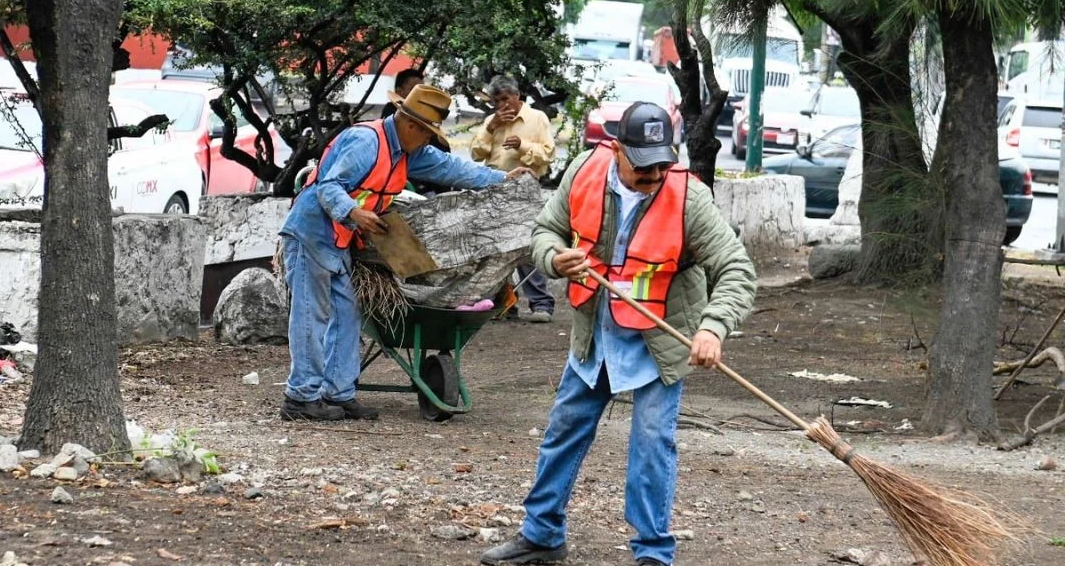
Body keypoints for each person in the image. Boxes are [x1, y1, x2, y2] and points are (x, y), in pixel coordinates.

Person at [480, 102, 757, 566]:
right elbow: (546, 230)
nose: (653, 177)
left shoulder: (690, 199)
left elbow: (736, 270)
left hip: (657, 342)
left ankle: (652, 554)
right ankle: (542, 535)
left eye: (662, 165)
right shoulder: (585, 171)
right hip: (596, 334)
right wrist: (553, 259)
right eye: (643, 167)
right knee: (564, 431)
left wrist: (712, 327)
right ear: (616, 149)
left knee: (652, 445)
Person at [280, 84, 533, 422]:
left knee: (347, 313)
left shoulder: (409, 151)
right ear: (411, 125)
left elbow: (453, 169)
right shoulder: (366, 142)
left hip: (341, 240)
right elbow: (327, 186)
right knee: (312, 314)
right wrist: (354, 213)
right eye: (428, 133)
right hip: (312, 233)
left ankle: (338, 393)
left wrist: (502, 178)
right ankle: (300, 398)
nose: (429, 140)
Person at [470, 75, 557, 322]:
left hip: (524, 188)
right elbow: (476, 154)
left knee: (526, 245)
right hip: (494, 189)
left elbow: (547, 155)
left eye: (506, 99)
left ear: (517, 96)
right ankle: (503, 304)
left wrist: (522, 145)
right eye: (497, 101)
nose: (502, 106)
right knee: (495, 246)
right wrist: (490, 128)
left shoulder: (536, 118)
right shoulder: (492, 120)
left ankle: (541, 304)